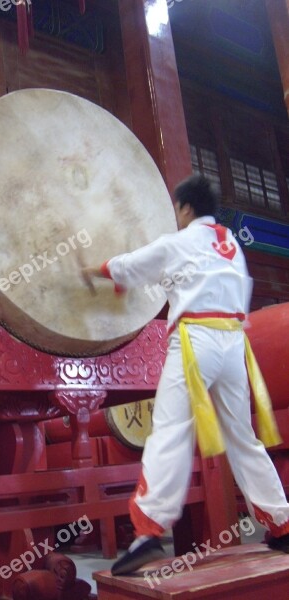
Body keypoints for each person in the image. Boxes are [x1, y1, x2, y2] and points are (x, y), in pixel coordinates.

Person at [83, 174, 289, 575]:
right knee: (242, 437)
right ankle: (281, 524)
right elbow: (188, 277)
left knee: (171, 429)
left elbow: (132, 265)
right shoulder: (230, 246)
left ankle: (148, 532)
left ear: (186, 208)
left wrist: (95, 270)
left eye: (176, 209)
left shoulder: (180, 242)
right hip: (234, 346)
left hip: (196, 340)